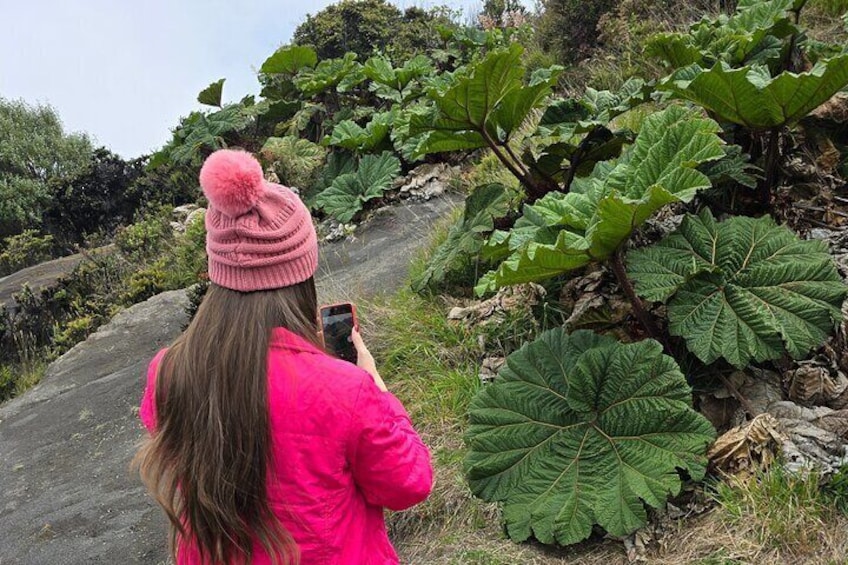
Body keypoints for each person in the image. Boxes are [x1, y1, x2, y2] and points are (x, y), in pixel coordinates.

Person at [134, 149, 433, 564]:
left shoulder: (167, 371)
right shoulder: (348, 389)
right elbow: (407, 484)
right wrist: (380, 394)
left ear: (217, 271)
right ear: (302, 273)